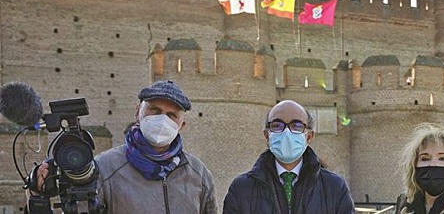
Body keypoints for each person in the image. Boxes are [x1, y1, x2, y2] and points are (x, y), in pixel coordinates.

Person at [27, 80, 218, 214]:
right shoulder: (105, 167)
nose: (162, 120)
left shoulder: (198, 174)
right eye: (155, 110)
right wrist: (36, 196)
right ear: (138, 112)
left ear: (181, 125)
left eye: (172, 115)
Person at [223, 100, 355, 214]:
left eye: (296, 126)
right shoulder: (241, 189)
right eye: (277, 125)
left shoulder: (335, 188)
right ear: (267, 135)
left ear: (309, 136)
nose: (286, 132)